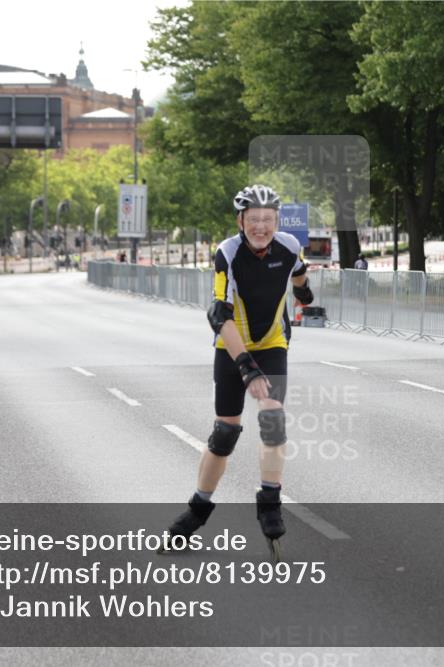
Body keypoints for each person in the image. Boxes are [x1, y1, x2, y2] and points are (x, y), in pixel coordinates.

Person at [162, 184, 313, 561]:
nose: (261, 227)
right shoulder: (227, 253)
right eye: (254, 220)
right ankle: (196, 511)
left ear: (277, 221)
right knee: (225, 432)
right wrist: (245, 366)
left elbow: (298, 271)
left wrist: (304, 292)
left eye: (268, 220)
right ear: (240, 220)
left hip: (273, 344)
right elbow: (219, 315)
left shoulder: (290, 247)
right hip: (231, 347)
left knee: (274, 420)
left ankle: (269, 502)